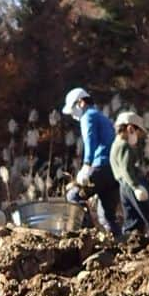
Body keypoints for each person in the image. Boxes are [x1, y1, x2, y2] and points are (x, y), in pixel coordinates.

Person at [62, 87, 121, 238]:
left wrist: (87, 165)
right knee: (106, 216)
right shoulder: (102, 117)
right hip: (113, 170)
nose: (73, 115)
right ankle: (119, 243)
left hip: (100, 166)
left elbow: (90, 141)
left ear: (80, 103)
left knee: (73, 197)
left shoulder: (88, 116)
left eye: (73, 110)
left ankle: (88, 235)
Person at [109, 111, 149, 241]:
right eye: (138, 133)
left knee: (131, 216)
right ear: (130, 129)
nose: (138, 137)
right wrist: (136, 186)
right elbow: (126, 169)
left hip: (123, 186)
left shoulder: (115, 144)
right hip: (133, 183)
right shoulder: (125, 146)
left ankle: (132, 238)